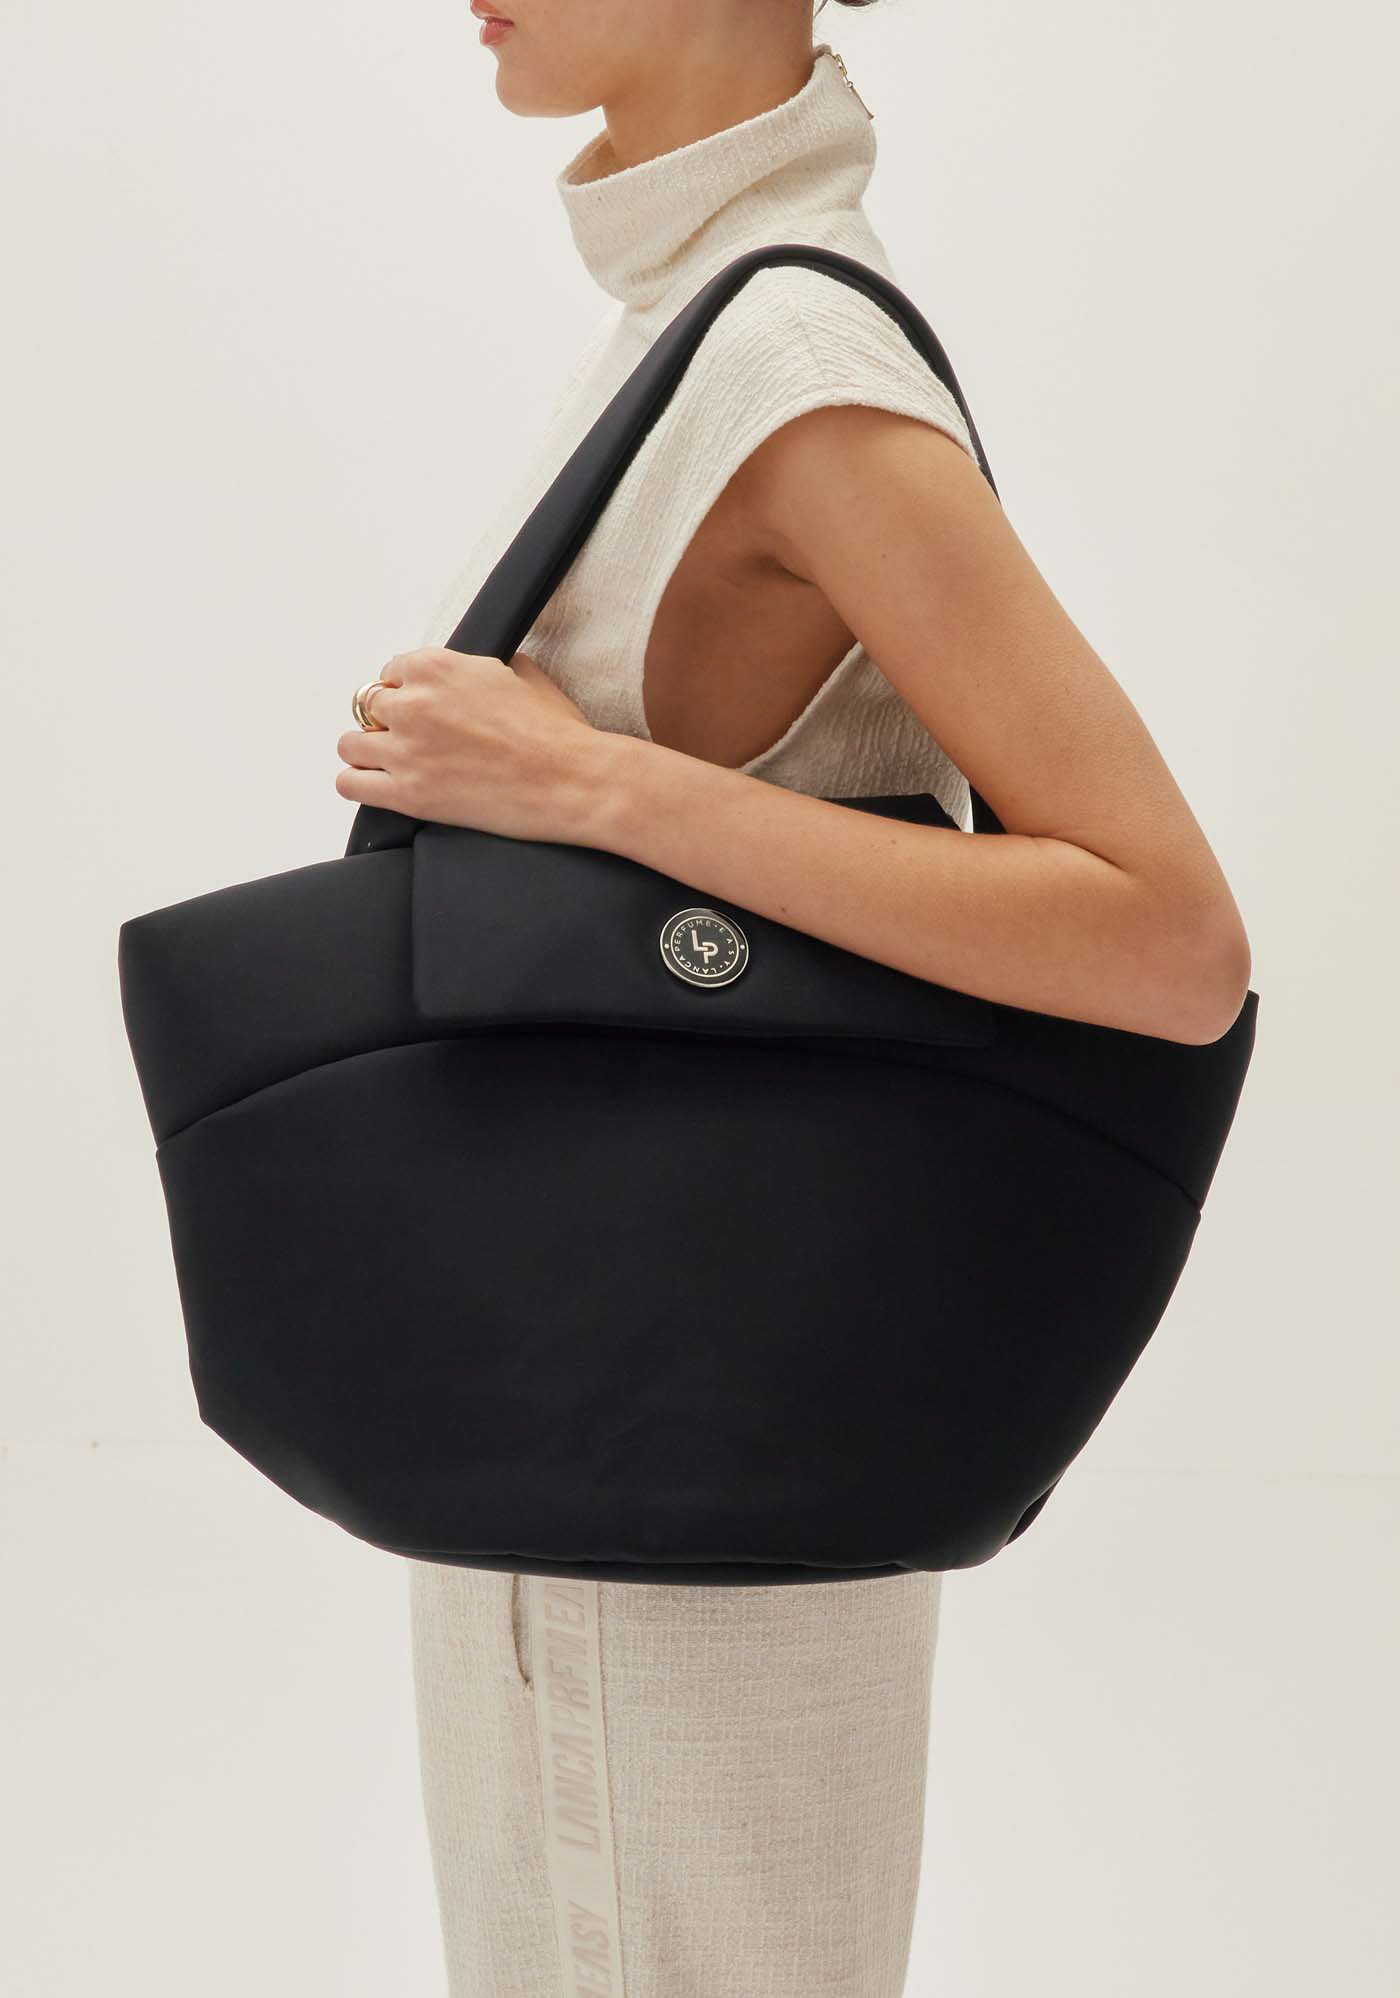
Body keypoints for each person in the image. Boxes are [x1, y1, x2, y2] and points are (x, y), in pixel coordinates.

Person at [333, 6, 1252, 1995]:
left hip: (676, 1457)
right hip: (608, 1399)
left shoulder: (793, 365)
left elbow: (1168, 940)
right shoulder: (688, 323)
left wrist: (587, 787)